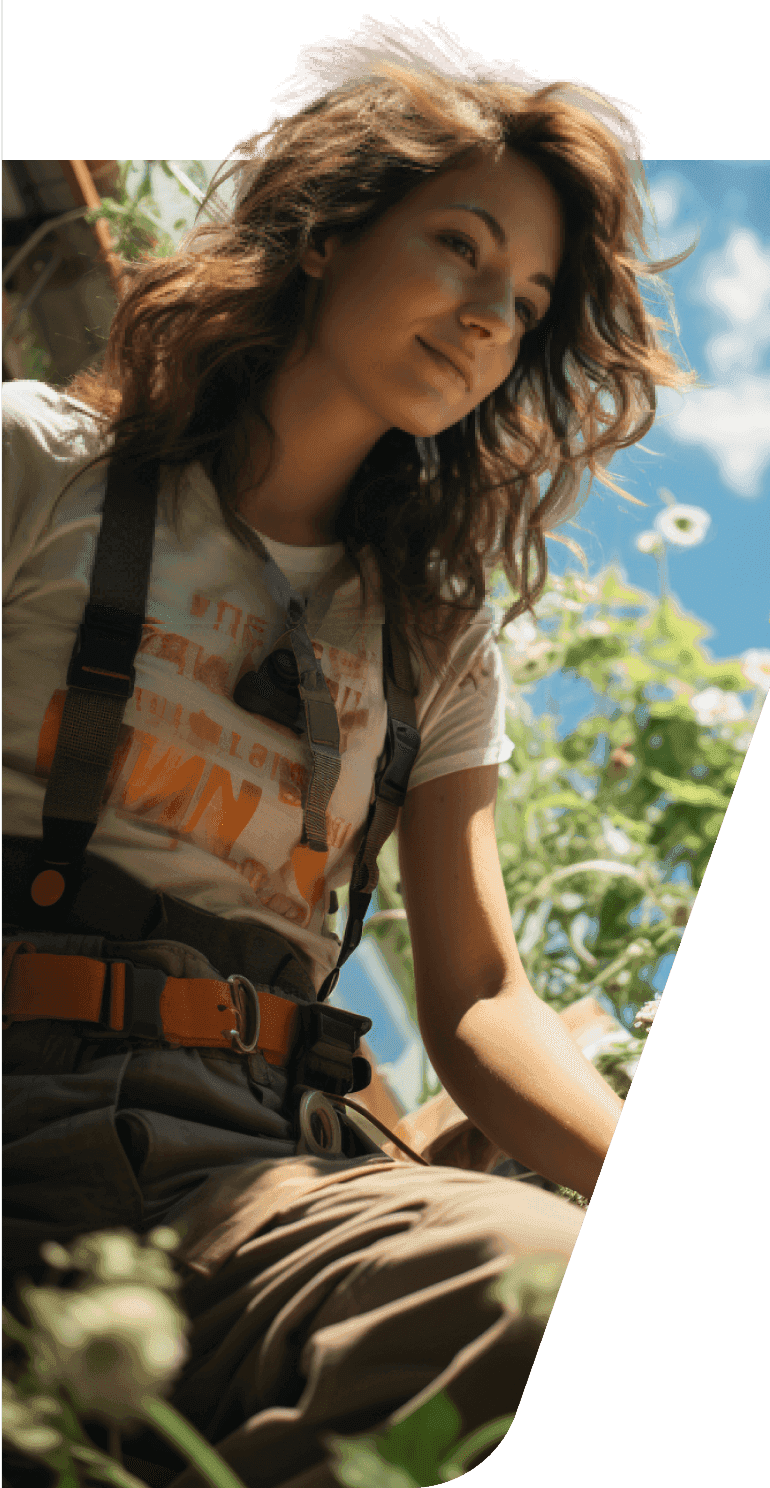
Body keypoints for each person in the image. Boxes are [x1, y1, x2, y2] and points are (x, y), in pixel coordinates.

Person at [2, 59, 694, 1488]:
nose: (488, 316)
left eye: (525, 305)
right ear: (329, 232)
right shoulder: (40, 464)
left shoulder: (431, 639)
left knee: (544, 1291)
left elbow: (485, 999)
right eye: (461, 245)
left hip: (237, 1175)